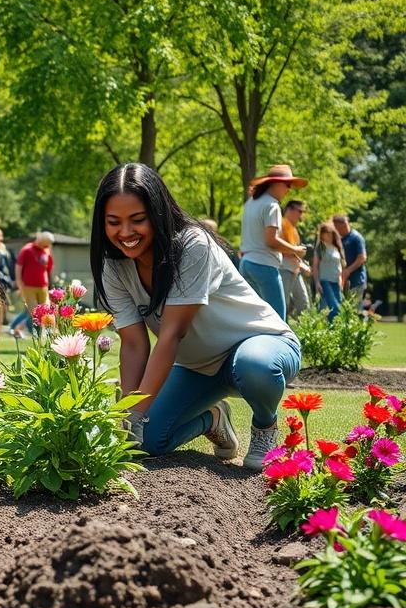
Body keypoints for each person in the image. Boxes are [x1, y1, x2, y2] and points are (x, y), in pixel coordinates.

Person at [91, 162, 301, 471]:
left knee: (254, 365)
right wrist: (128, 416)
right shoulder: (115, 267)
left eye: (138, 219)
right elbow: (134, 345)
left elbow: (171, 335)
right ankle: (213, 418)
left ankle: (265, 427)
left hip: (262, 345)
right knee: (148, 441)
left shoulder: (192, 245)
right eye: (113, 222)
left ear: (158, 213)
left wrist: (135, 414)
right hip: (199, 367)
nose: (125, 232)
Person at [238, 165, 309, 320]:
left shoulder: (250, 203)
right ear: (274, 183)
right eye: (287, 184)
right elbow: (271, 240)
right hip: (264, 266)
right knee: (278, 319)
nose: (289, 189)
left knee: (255, 319)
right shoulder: (272, 205)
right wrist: (296, 250)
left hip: (245, 264)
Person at [8, 231, 54, 338]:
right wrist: (20, 285)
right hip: (28, 287)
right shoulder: (27, 250)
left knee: (47, 311)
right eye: (45, 244)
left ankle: (17, 329)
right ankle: (37, 336)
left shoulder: (46, 251)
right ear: (39, 240)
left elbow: (48, 269)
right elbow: (18, 268)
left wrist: (50, 286)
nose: (46, 246)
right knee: (34, 313)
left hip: (43, 286)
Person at [279, 199, 311, 318]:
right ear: (289, 209)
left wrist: (302, 264)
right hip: (284, 269)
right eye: (300, 211)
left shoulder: (293, 229)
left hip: (295, 271)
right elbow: (282, 249)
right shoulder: (281, 224)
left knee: (304, 304)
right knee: (283, 305)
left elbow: (295, 252)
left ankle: (303, 333)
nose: (301, 215)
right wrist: (302, 264)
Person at [313, 221, 345, 321]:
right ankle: (331, 330)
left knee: (339, 309)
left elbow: (340, 265)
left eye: (329, 232)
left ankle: (332, 331)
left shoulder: (337, 247)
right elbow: (315, 266)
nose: (327, 234)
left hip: (336, 281)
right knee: (334, 308)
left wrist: (340, 280)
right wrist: (317, 282)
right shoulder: (321, 247)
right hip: (325, 281)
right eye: (324, 232)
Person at [333, 214, 367, 301]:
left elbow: (362, 257)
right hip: (343, 282)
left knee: (353, 311)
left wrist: (348, 270)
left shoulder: (356, 238)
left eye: (337, 227)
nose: (336, 230)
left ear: (343, 225)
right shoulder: (340, 239)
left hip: (356, 281)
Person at [0, 226, 15, 332]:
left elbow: (7, 266)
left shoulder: (3, 249)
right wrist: (3, 277)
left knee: (3, 305)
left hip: (3, 283)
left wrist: (9, 279)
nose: (1, 238)